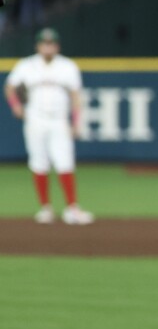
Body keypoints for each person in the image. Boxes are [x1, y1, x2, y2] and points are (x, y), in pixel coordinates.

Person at [5, 27, 95, 226]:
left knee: (65, 162)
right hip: (35, 119)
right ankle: (45, 208)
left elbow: (75, 96)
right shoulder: (27, 65)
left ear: (57, 46)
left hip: (59, 120)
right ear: (38, 46)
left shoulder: (67, 66)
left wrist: (76, 121)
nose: (48, 47)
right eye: (44, 43)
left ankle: (72, 209)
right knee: (39, 162)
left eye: (51, 43)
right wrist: (15, 105)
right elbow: (9, 87)